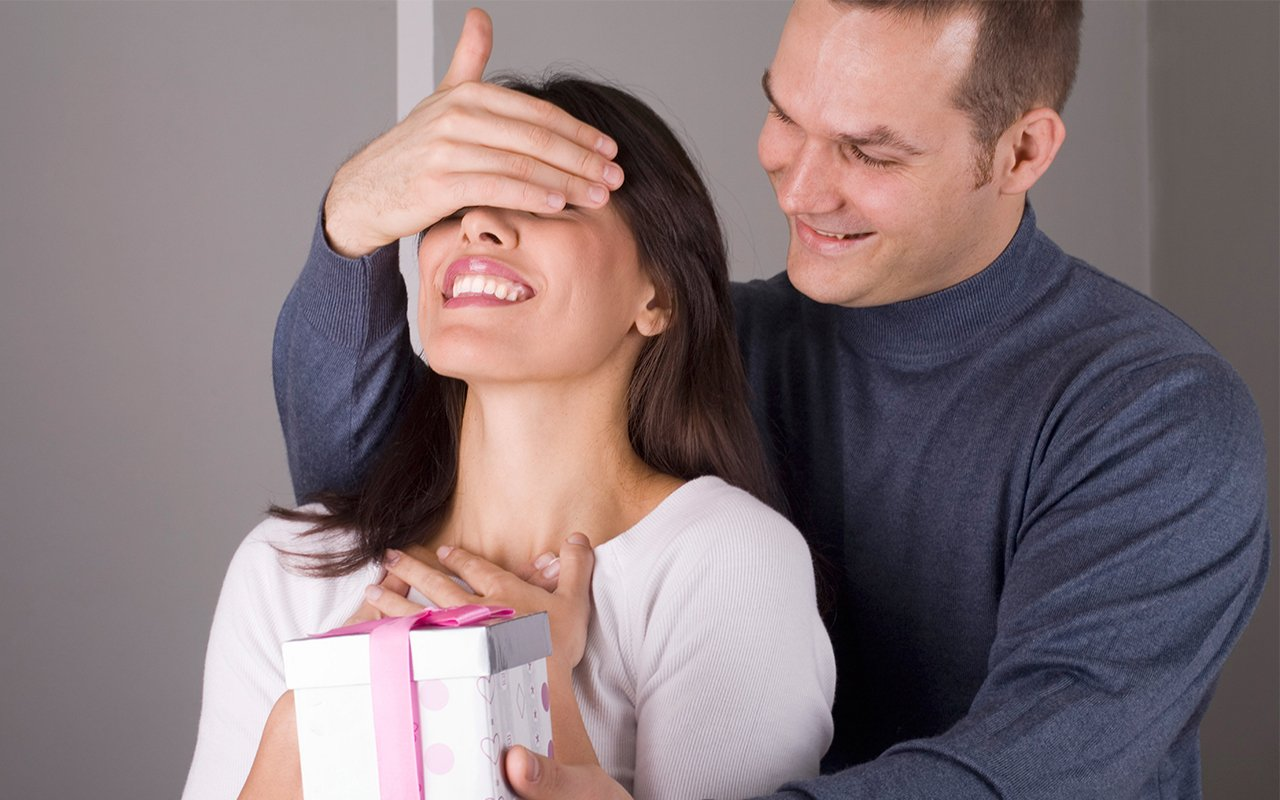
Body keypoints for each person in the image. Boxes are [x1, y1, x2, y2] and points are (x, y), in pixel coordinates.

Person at [273, 3, 1271, 799]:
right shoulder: (709, 349)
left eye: (869, 151)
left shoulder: (1153, 415)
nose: (799, 190)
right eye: (785, 116)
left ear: (1020, 152)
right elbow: (365, 482)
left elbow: (1034, 768)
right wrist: (356, 219)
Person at [182, 75, 836, 800]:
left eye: (548, 198)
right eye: (453, 205)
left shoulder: (725, 561)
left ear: (658, 295)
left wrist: (537, 679)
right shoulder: (289, 569)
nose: (478, 225)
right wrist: (304, 724)